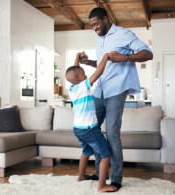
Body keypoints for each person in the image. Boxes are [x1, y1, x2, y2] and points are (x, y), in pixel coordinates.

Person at [79, 7, 153, 191]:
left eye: (96, 23)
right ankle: (99, 173)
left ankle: (116, 178)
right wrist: (88, 62)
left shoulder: (124, 34)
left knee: (112, 135)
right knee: (93, 131)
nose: (94, 28)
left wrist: (125, 57)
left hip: (116, 90)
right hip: (99, 91)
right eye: (91, 25)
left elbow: (148, 53)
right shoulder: (100, 39)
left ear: (105, 19)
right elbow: (104, 64)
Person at [66, 52, 118, 193]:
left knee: (86, 151)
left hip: (78, 128)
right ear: (78, 78)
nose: (86, 74)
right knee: (106, 154)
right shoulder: (84, 86)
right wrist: (106, 56)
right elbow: (98, 72)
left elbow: (74, 70)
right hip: (89, 129)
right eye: (83, 73)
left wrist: (77, 56)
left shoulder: (72, 88)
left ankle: (81, 176)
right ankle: (102, 186)